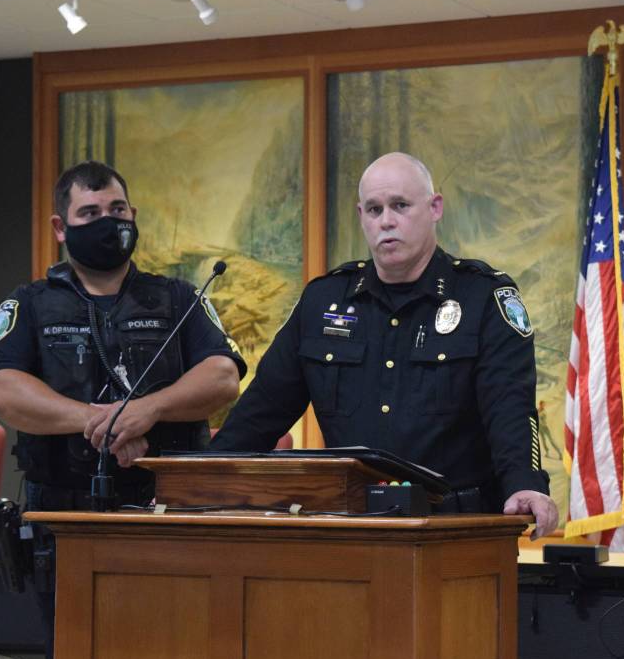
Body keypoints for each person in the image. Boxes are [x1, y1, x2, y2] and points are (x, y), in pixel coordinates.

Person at [0, 161, 246, 659]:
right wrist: (97, 420)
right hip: (64, 523)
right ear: (61, 227)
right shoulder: (29, 303)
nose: (108, 221)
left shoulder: (179, 298)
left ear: (133, 215)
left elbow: (224, 375)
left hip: (170, 520)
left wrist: (149, 410)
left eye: (117, 210)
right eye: (90, 212)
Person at [211, 152, 558, 538]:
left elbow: (509, 404)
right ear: (361, 215)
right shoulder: (323, 301)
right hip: (351, 530)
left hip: (455, 530)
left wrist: (524, 483)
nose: (386, 221)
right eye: (374, 210)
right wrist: (199, 481)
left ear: (435, 207)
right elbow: (260, 413)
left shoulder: (482, 298)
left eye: (400, 206)